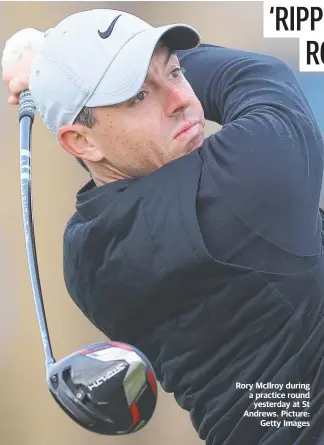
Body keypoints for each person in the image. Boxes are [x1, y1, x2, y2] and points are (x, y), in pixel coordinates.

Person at [3, 8, 324, 445]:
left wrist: (59, 67)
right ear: (79, 140)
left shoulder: (83, 257)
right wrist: (48, 53)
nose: (180, 100)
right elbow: (262, 75)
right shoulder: (246, 183)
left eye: (175, 71)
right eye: (137, 95)